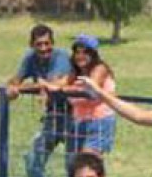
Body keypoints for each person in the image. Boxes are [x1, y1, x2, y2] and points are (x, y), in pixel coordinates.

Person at [7, 25, 73, 177]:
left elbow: (51, 84)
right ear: (31, 45)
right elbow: (15, 80)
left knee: (73, 167)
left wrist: (19, 88)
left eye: (47, 43)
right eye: (39, 44)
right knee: (33, 160)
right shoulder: (30, 58)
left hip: (75, 117)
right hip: (52, 116)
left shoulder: (62, 57)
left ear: (53, 43)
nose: (44, 48)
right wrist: (12, 85)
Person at [39, 34, 117, 169]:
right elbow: (57, 84)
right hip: (78, 122)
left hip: (98, 123)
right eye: (77, 52)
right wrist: (41, 85)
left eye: (85, 52)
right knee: (72, 166)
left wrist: (59, 89)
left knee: (88, 165)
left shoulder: (100, 69)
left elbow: (90, 88)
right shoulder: (75, 73)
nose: (80, 56)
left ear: (93, 54)